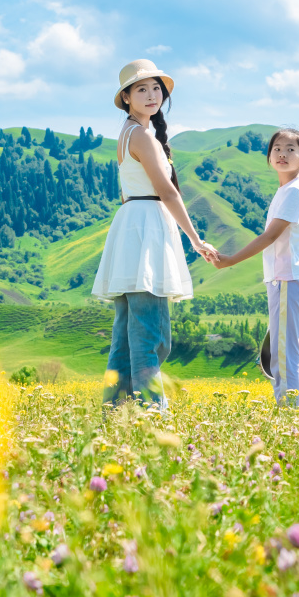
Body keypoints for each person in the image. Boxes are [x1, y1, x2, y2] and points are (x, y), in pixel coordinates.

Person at [93, 59, 218, 411]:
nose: (151, 95)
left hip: (133, 225)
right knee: (152, 335)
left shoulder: (128, 133)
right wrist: (196, 239)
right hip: (146, 227)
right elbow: (167, 191)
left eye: (156, 88)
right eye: (141, 89)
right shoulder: (142, 135)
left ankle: (116, 412)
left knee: (126, 336)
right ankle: (150, 414)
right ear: (126, 97)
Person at [210, 129, 299, 411]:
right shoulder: (290, 190)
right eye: (277, 149)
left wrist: (230, 260)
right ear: (269, 157)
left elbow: (270, 236)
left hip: (289, 279)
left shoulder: (294, 191)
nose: (282, 154)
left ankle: (288, 419)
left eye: (290, 149)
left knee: (284, 356)